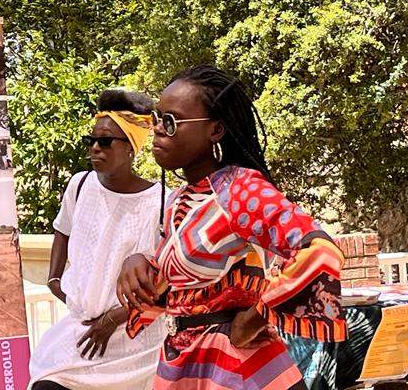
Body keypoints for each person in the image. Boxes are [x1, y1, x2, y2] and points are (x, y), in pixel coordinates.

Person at [116, 65, 345, 390]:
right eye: (156, 118)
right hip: (184, 363)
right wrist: (138, 263)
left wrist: (255, 317)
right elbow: (187, 284)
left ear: (216, 130)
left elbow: (319, 252)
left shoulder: (239, 190)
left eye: (170, 121)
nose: (157, 130)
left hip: (236, 368)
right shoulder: (182, 200)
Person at [30, 89, 168, 390]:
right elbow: (62, 229)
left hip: (134, 339)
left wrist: (113, 320)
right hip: (80, 330)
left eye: (105, 141)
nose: (95, 148)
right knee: (47, 382)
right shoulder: (80, 185)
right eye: (91, 141)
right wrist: (54, 280)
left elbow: (167, 280)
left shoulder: (161, 202)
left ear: (131, 147)